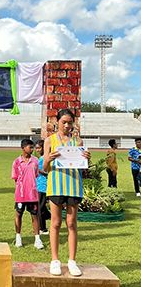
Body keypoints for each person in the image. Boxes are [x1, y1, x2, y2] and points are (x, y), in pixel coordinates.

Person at [43, 109, 91, 277]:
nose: (66, 125)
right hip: (56, 185)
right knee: (56, 223)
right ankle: (55, 260)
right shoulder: (49, 141)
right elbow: (45, 168)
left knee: (71, 224)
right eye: (63, 122)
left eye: (70, 122)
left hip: (73, 186)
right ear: (57, 122)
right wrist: (48, 159)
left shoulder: (78, 141)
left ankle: (72, 261)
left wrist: (87, 158)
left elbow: (82, 166)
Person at [12, 138, 44, 249]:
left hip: (32, 194)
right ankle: (18, 238)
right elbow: (16, 178)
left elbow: (35, 175)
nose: (32, 149)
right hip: (20, 194)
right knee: (18, 214)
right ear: (23, 148)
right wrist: (21, 188)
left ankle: (37, 239)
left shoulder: (35, 161)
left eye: (32, 147)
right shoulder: (16, 162)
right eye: (30, 147)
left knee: (34, 216)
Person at [35, 139, 50, 235]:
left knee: (39, 207)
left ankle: (43, 228)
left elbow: (46, 171)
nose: (37, 150)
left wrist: (36, 169)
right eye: (36, 148)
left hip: (43, 185)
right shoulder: (41, 158)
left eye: (39, 148)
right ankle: (48, 217)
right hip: (38, 184)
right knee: (41, 207)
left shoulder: (46, 158)